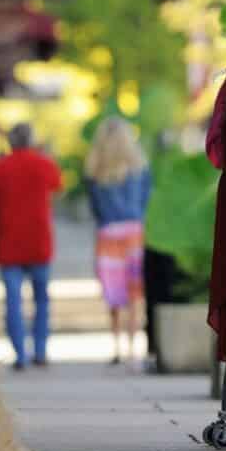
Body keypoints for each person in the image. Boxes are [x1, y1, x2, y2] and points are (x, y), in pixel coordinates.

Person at [0, 124, 63, 370]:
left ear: (10, 143)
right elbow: (58, 185)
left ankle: (20, 355)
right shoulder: (44, 164)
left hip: (9, 244)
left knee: (13, 301)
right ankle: (41, 350)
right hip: (39, 242)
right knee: (42, 300)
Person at [85, 118, 151, 365]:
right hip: (134, 230)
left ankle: (116, 347)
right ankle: (133, 347)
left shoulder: (94, 170)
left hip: (108, 233)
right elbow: (146, 198)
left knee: (114, 292)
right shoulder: (140, 166)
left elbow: (94, 207)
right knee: (135, 291)